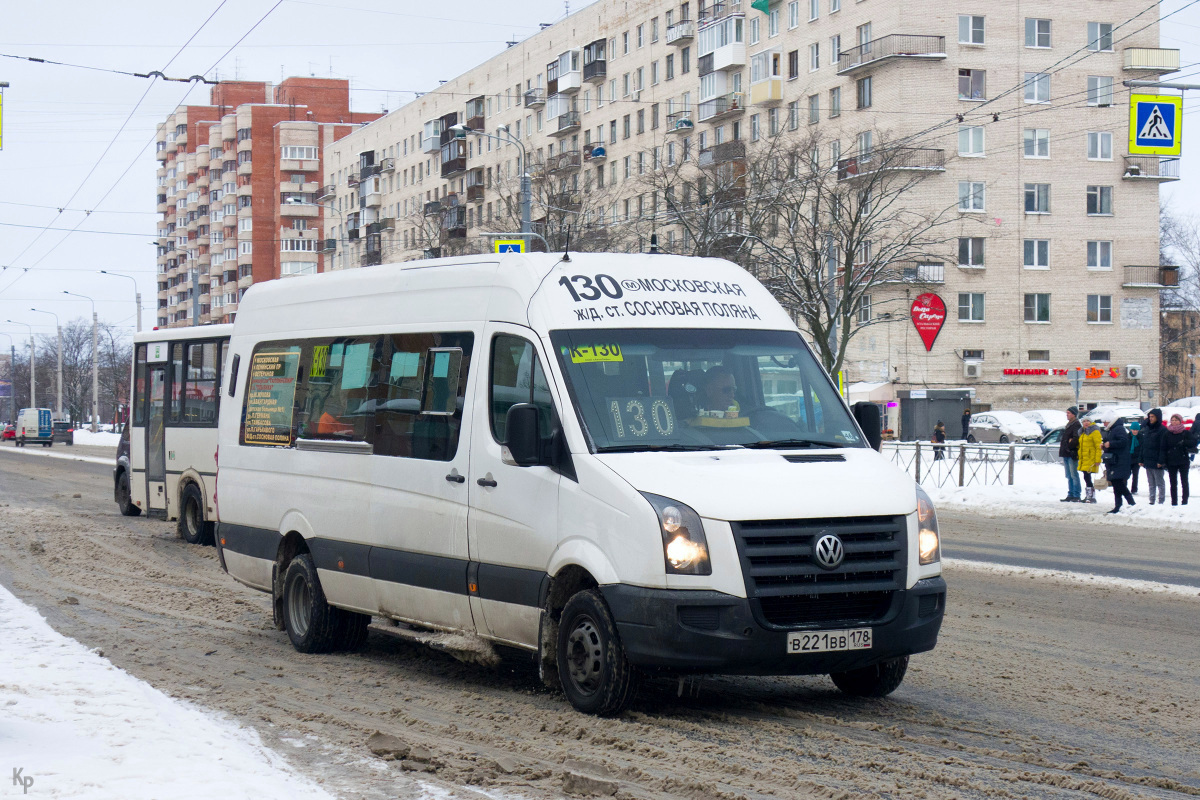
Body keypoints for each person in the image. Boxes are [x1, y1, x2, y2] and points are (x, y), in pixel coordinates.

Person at [1101, 412, 1136, 513]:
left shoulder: (1118, 429)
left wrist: (1110, 444)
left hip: (1120, 461)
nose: (1104, 424)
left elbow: (1123, 441)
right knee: (1116, 484)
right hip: (1115, 460)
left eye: (1105, 422)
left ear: (1110, 421)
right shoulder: (1113, 429)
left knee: (1118, 483)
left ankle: (1131, 502)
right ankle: (1118, 505)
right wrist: (1105, 445)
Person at [1162, 413, 1196, 506]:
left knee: (1184, 482)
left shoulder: (1185, 432)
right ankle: (1174, 502)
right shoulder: (1167, 433)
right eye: (1172, 420)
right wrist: (1163, 461)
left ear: (1180, 421)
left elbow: (1194, 442)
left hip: (1183, 460)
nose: (1174, 422)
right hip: (1171, 461)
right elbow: (1163, 447)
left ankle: (1184, 502)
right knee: (1173, 483)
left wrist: (1184, 442)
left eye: (1176, 420)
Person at [1140, 408, 1167, 505]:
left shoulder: (1162, 430)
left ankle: (1161, 501)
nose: (1150, 419)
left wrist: (1161, 461)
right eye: (1149, 417)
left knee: (1159, 482)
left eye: (1152, 417)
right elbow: (1143, 445)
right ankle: (1151, 500)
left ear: (1157, 417)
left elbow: (1163, 447)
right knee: (1151, 483)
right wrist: (1141, 459)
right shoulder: (1147, 428)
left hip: (1157, 460)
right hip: (1148, 459)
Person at [1059, 406, 1082, 502]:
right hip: (1066, 452)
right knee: (1069, 475)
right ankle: (1071, 493)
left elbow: (1076, 438)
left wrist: (1070, 445)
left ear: (1073, 414)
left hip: (1071, 453)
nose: (1067, 415)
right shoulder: (1069, 424)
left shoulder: (1076, 424)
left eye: (1068, 413)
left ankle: (1076, 494)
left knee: (1073, 475)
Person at [1077, 418, 1102, 503]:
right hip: (1084, 458)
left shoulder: (1095, 432)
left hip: (1091, 458)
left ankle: (1091, 496)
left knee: (1087, 476)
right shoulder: (1082, 433)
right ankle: (1089, 495)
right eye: (1084, 421)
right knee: (1086, 476)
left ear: (1091, 422)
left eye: (1088, 421)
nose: (1086, 423)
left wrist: (1098, 459)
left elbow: (1098, 447)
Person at [1128, 419, 1142, 494]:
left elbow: (1142, 448)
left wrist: (1140, 459)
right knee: (1127, 474)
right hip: (1129, 459)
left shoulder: (1141, 437)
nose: (1135, 431)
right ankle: (1124, 487)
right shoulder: (1128, 437)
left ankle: (1134, 489)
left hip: (1137, 459)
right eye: (1133, 430)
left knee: (1135, 474)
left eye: (1136, 430)